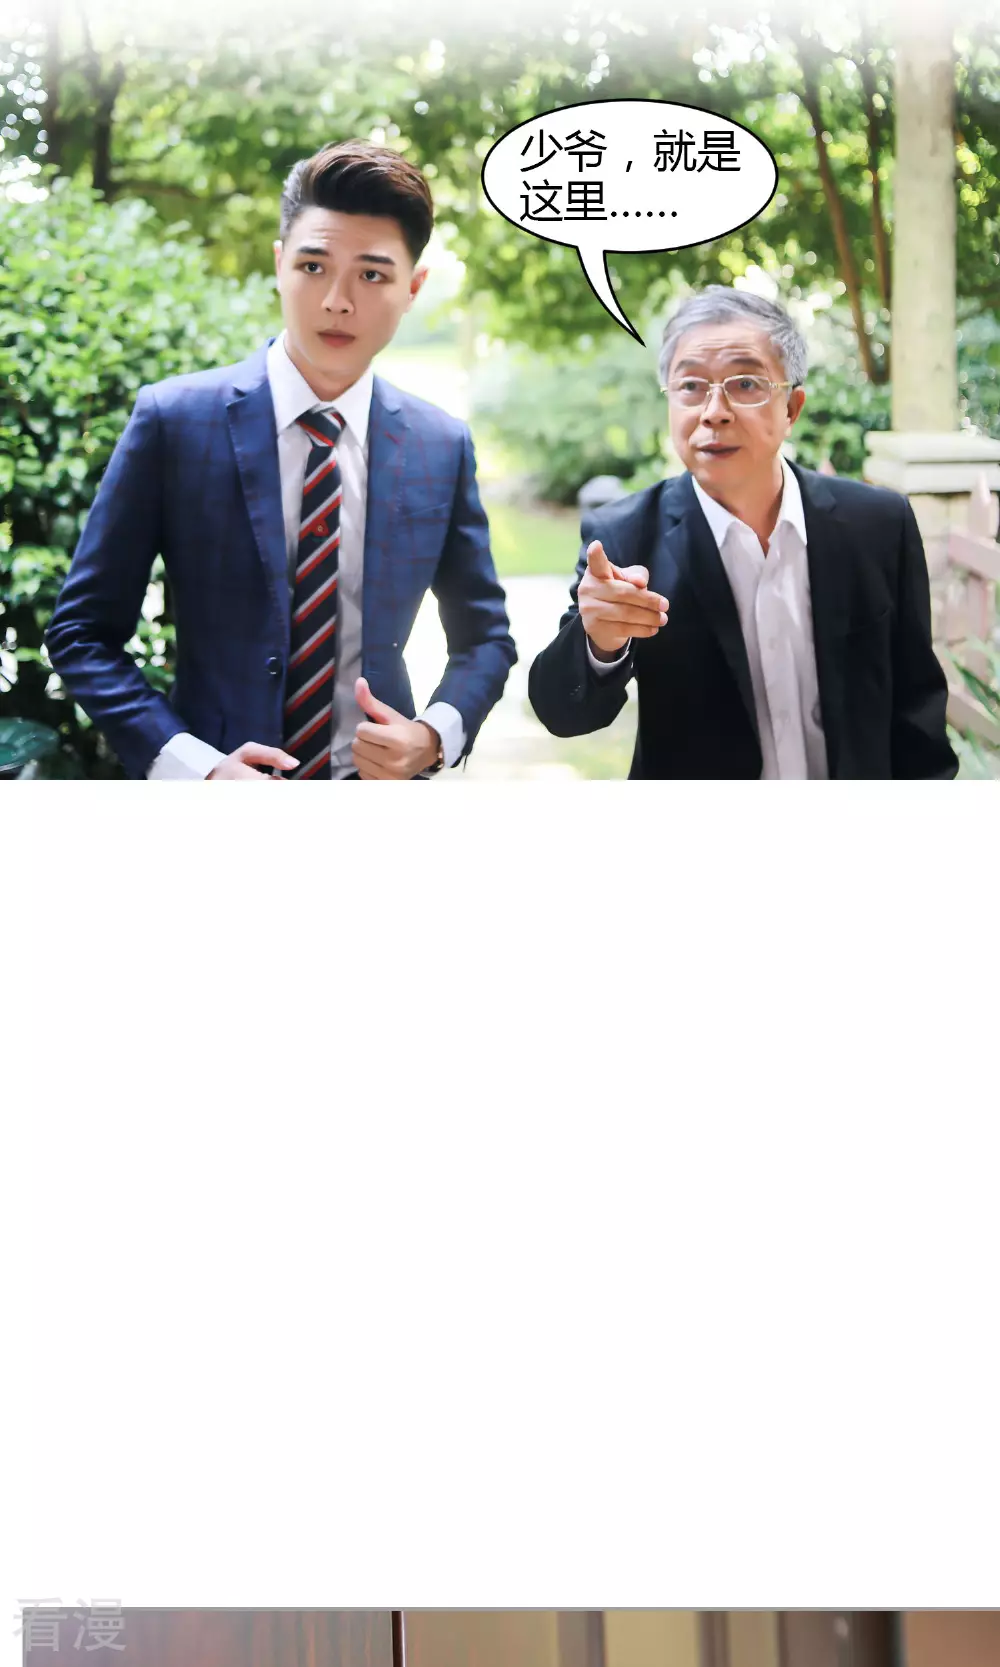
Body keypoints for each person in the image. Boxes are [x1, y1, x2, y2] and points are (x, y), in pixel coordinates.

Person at [46, 141, 516, 780]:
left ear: (413, 288)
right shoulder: (174, 420)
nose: (337, 301)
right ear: (279, 264)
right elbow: (82, 633)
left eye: (372, 275)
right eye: (313, 266)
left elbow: (485, 639)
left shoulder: (442, 443)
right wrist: (196, 768)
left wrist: (433, 736)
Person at [528, 287, 957, 780]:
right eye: (691, 385)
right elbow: (563, 713)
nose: (714, 411)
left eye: (746, 383)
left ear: (791, 408)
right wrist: (599, 642)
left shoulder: (878, 525)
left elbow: (919, 714)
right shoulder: (625, 538)